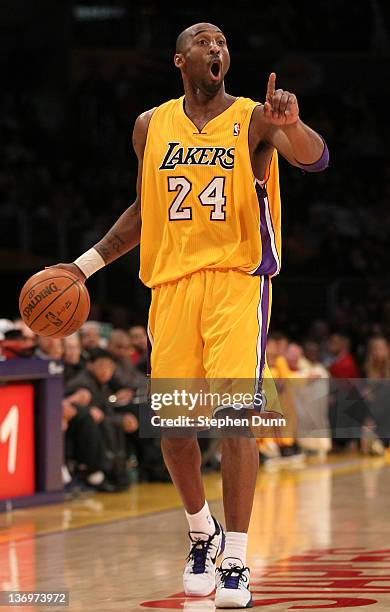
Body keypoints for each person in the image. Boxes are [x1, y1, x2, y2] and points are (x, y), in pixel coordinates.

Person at [50, 22, 328, 608]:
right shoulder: (150, 126)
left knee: (234, 420)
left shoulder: (253, 118)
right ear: (181, 60)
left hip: (235, 281)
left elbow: (314, 158)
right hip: (171, 286)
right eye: (204, 40)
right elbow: (142, 211)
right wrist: (83, 267)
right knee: (175, 429)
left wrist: (291, 123)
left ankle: (238, 558)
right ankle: (202, 532)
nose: (217, 47)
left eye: (224, 40)